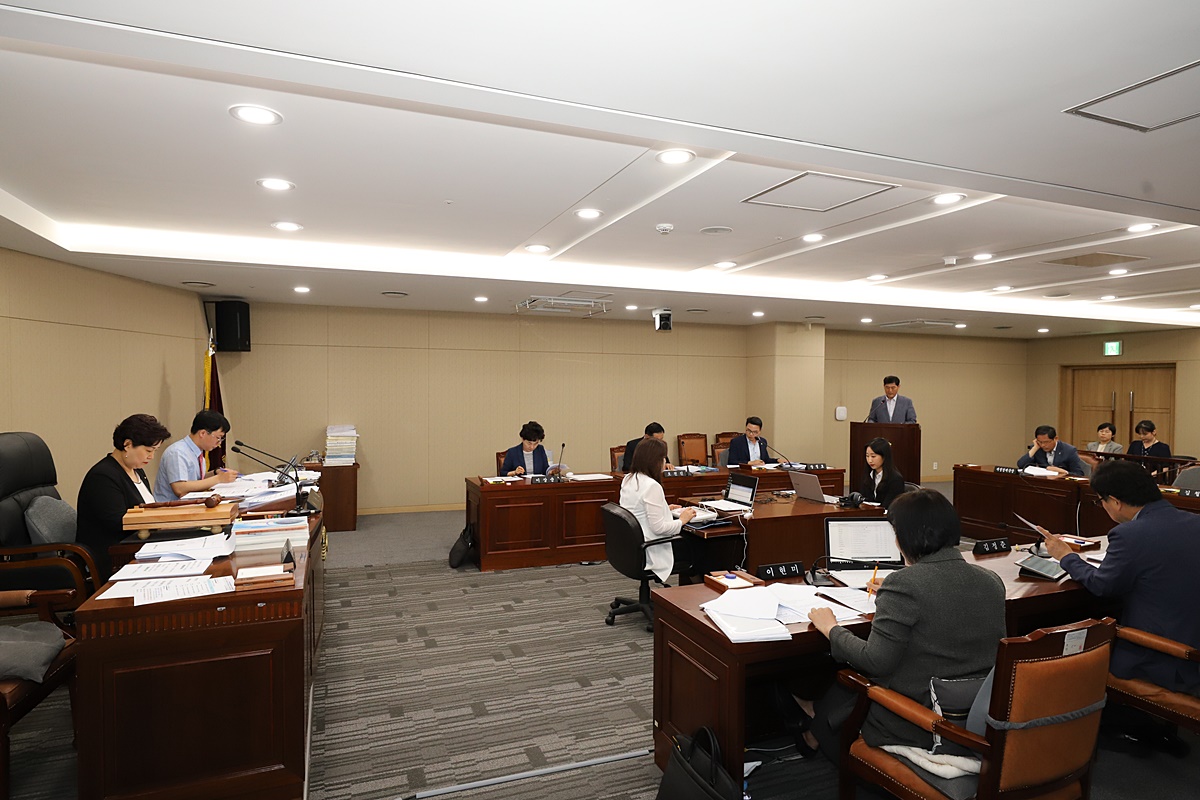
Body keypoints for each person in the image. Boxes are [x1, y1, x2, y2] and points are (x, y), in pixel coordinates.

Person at [798, 490, 1006, 760]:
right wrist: (896, 590)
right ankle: (813, 730)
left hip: (924, 723)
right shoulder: (991, 580)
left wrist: (830, 628)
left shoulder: (904, 584)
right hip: (978, 715)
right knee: (846, 691)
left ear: (906, 537)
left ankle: (813, 734)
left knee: (849, 682)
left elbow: (874, 661)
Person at [1040, 460, 1200, 695]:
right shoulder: (1195, 522)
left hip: (1166, 660)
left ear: (1115, 501)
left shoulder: (1129, 534)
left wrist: (1066, 556)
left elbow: (1101, 585)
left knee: (1070, 661)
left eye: (1100, 501)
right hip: (1192, 649)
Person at [77, 413, 172, 579]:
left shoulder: (137, 471)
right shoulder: (103, 476)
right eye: (148, 450)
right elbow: (119, 523)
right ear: (127, 444)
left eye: (154, 451)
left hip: (140, 545)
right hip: (114, 555)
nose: (151, 457)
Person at [619, 437, 697, 583]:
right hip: (651, 549)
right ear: (654, 460)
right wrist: (682, 520)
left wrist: (665, 508)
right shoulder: (652, 486)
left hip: (632, 546)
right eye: (663, 458)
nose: (665, 462)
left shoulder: (629, 478)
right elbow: (659, 528)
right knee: (699, 546)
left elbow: (637, 510)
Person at [152, 409, 239, 502]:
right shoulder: (177, 452)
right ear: (202, 433)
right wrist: (218, 479)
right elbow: (179, 488)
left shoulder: (197, 453)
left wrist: (215, 472)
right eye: (218, 438)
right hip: (169, 508)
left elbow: (195, 480)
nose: (219, 443)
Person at [1016, 425, 1085, 476]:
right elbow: (1021, 465)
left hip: (1062, 484)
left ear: (1056, 439)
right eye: (1040, 442)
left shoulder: (1069, 450)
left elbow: (1079, 474)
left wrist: (1064, 472)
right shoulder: (1037, 448)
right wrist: (1034, 448)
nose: (1043, 445)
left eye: (1046, 442)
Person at [859, 437, 905, 508]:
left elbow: (890, 506)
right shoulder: (868, 475)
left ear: (884, 456)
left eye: (873, 456)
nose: (869, 460)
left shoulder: (895, 479)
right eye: (867, 456)